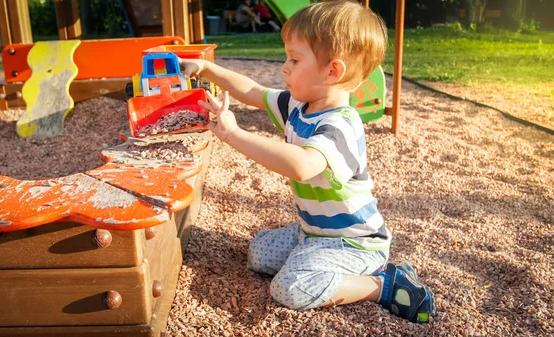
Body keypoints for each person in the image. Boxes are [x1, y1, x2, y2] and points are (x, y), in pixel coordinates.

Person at [181, 0, 436, 323]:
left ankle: (381, 284)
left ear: (333, 71)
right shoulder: (299, 106)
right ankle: (312, 251)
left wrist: (234, 134)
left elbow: (301, 164)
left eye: (294, 59)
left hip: (354, 243)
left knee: (290, 288)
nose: (284, 68)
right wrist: (206, 69)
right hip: (314, 232)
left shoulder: (341, 125)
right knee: (258, 253)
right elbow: (253, 91)